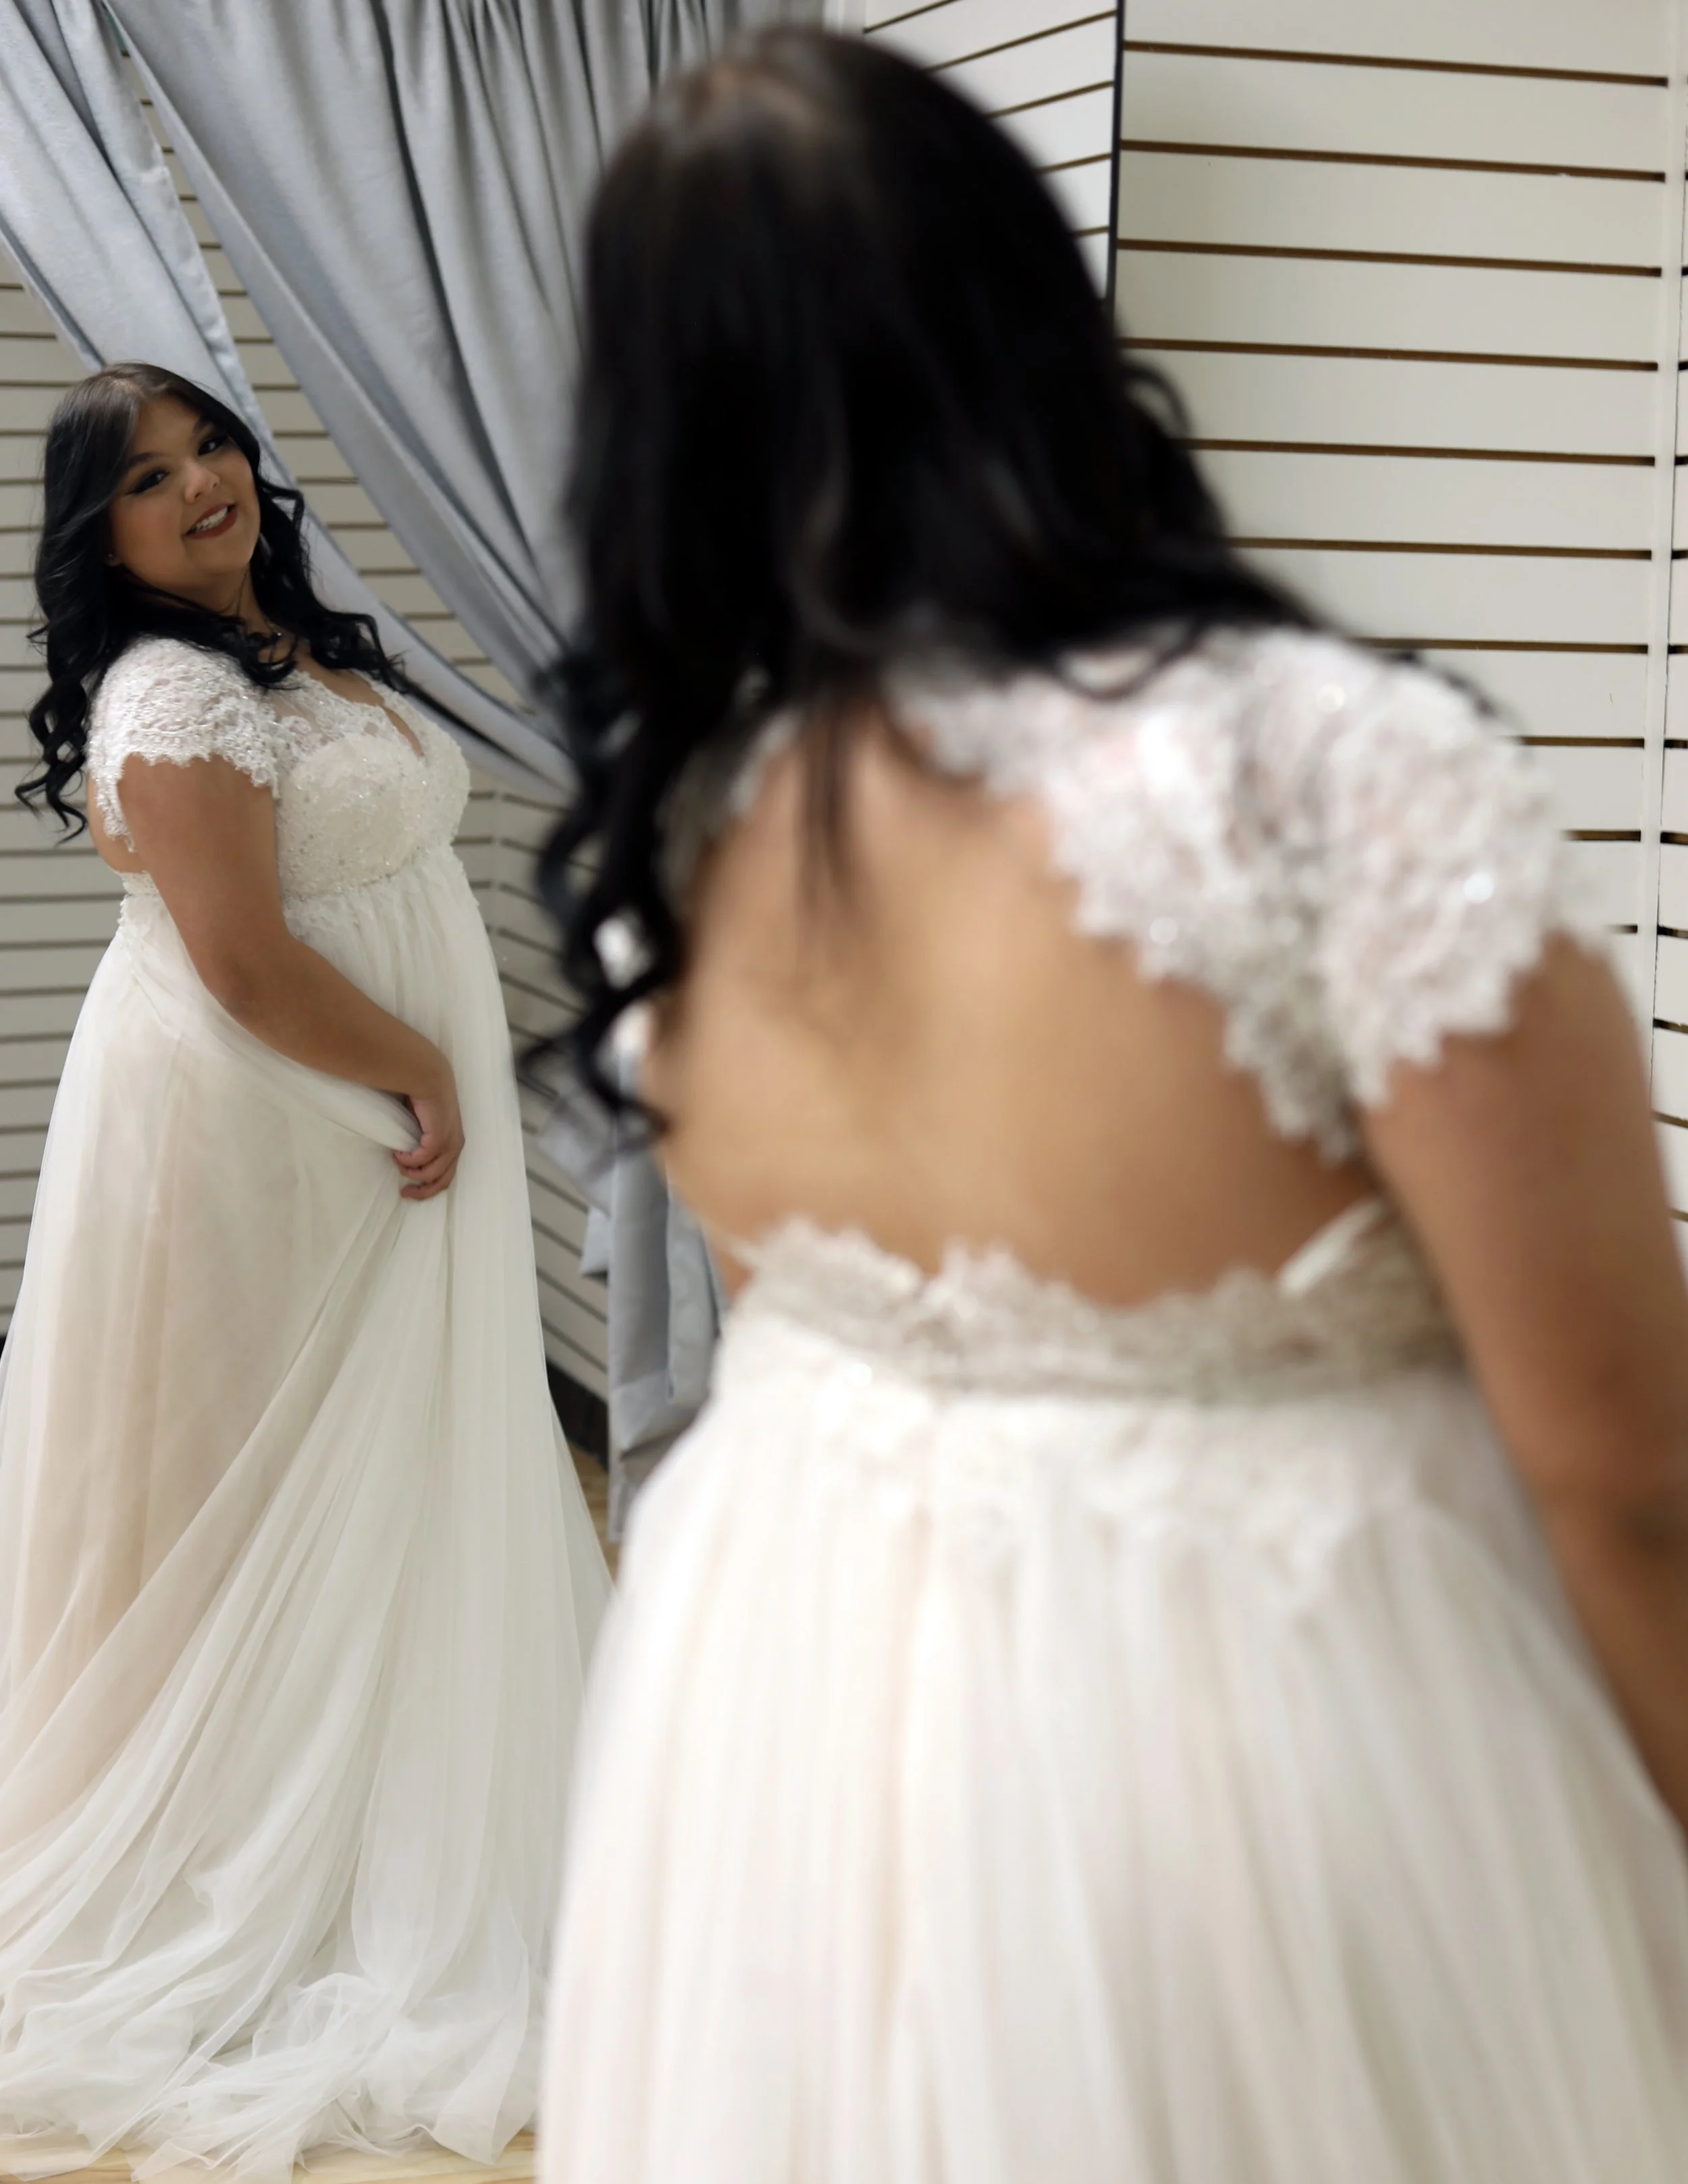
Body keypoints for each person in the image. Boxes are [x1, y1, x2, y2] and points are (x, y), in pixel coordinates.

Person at [536, 30, 1688, 2183]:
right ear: (1039, 313)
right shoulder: (1315, 769)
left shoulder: (684, 826)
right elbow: (1624, 1471)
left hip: (789, 1719)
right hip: (1265, 1734)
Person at [0, 363, 610, 2179]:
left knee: (374, 1476)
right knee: (236, 1498)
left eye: (211, 447)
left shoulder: (287, 649)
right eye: (146, 478)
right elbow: (245, 960)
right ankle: (212, 1849)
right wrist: (426, 1066)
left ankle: (367, 1812)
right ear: (96, 533)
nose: (201, 485)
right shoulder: (171, 689)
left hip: (340, 1116)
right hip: (269, 1125)